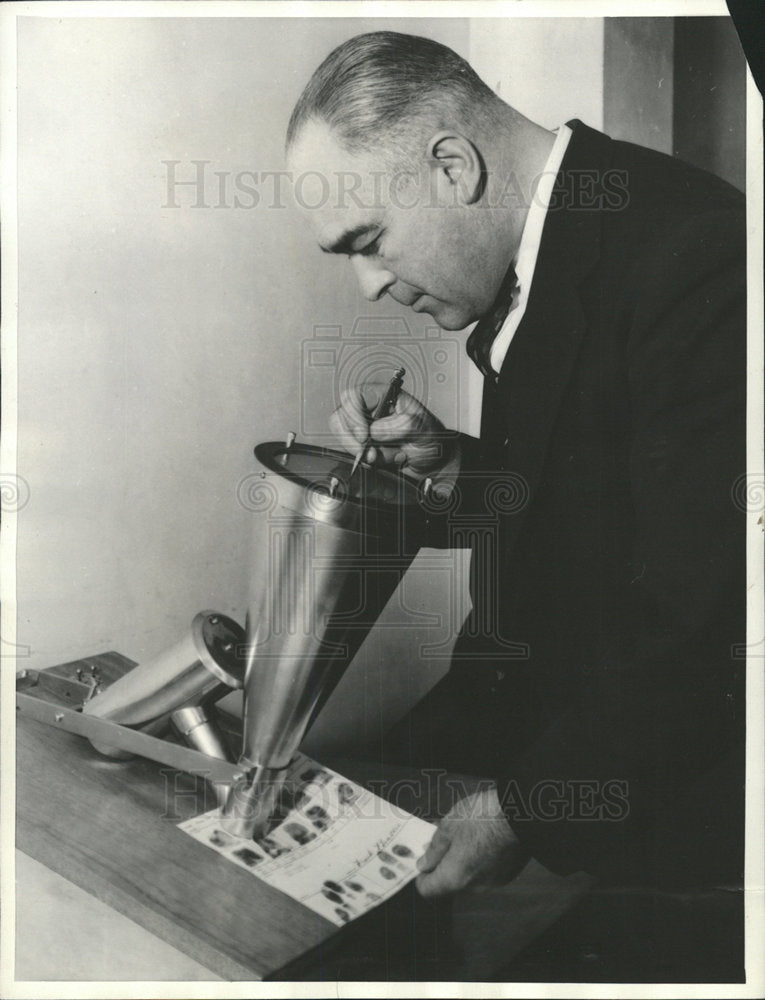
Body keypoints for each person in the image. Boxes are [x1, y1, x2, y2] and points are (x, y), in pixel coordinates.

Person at [285, 31, 746, 978]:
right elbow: (596, 512)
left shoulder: (694, 251)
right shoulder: (560, 238)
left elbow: (704, 618)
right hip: (527, 722)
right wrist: (450, 465)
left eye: (368, 242)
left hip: (660, 804)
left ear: (451, 165)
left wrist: (525, 807)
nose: (369, 285)